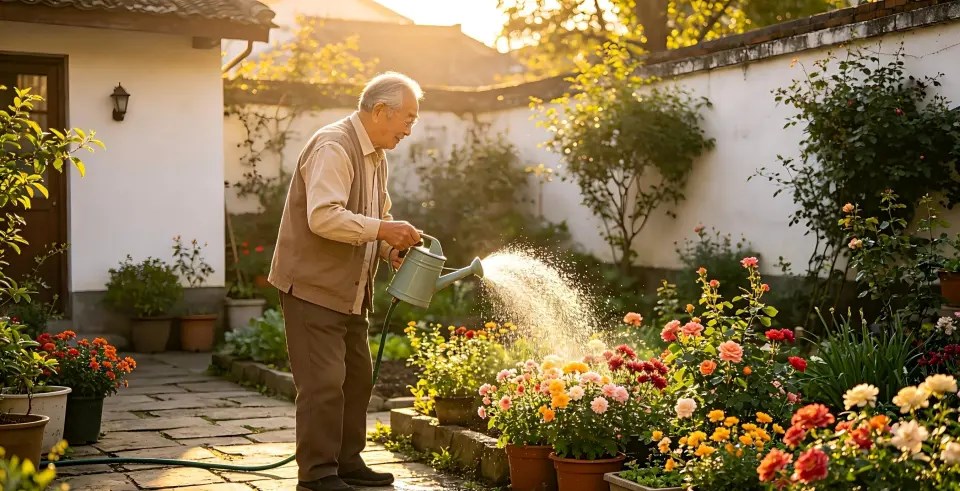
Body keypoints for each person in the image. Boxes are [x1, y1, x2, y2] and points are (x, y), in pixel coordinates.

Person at [268, 72, 423, 491]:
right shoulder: (334, 146)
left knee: (356, 379)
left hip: (351, 290)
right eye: (407, 119)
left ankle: (347, 464)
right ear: (380, 111)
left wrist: (390, 247)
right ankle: (317, 476)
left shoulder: (376, 155)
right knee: (323, 384)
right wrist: (382, 231)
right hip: (313, 287)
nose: (409, 129)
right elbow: (323, 216)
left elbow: (377, 215)